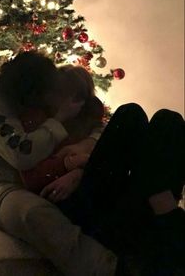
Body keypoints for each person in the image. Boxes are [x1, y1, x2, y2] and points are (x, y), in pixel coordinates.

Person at [0, 51, 117, 276]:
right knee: (35, 214)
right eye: (45, 92)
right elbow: (22, 155)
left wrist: (85, 145)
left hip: (62, 172)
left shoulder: (51, 98)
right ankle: (108, 269)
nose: (48, 97)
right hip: (7, 189)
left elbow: (96, 123)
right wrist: (58, 119)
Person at [41, 103, 185, 275]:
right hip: (145, 217)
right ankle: (161, 206)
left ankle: (161, 209)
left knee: (140, 115)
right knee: (160, 118)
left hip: (123, 226)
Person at [20, 65, 105, 194]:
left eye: (80, 97)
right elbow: (31, 177)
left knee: (130, 112)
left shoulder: (89, 121)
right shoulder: (38, 120)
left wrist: (79, 172)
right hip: (61, 191)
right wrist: (68, 163)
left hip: (93, 180)